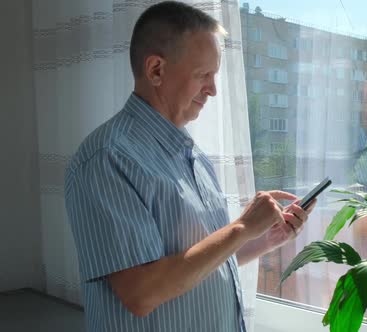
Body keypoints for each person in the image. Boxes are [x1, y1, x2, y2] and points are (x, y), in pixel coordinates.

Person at [64, 2, 315, 331]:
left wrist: (265, 239)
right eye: (204, 75)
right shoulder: (107, 159)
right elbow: (142, 292)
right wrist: (240, 229)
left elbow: (200, 264)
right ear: (156, 70)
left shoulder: (192, 155)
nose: (213, 89)